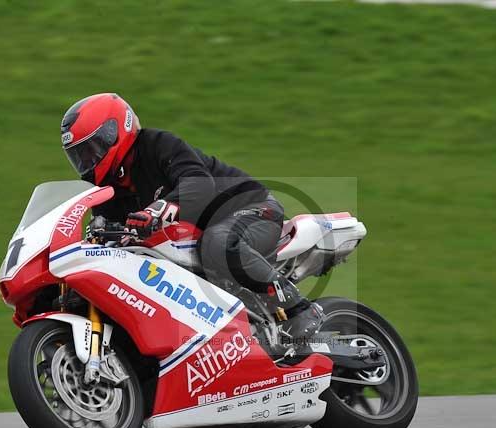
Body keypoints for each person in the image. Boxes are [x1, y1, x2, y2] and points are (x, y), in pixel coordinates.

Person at [60, 93, 323, 340]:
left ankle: (297, 309)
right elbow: (108, 232)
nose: (87, 161)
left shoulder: (156, 145)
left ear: (113, 132)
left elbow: (199, 183)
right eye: (80, 156)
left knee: (217, 243)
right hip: (192, 240)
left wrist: (162, 208)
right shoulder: (108, 192)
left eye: (91, 150)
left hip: (250, 208)